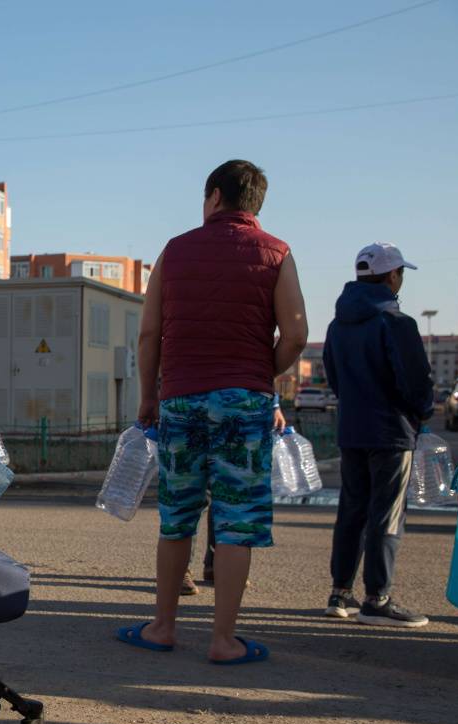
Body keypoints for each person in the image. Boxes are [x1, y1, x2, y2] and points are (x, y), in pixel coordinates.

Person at [119, 159, 308, 664]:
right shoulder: (277, 253)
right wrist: (259, 374)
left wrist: (148, 396)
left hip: (180, 398)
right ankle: (224, 640)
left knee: (177, 513)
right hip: (245, 403)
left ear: (214, 196)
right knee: (236, 520)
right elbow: (296, 334)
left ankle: (162, 626)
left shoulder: (174, 251)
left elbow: (148, 333)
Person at [322, 243, 433, 627]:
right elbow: (415, 381)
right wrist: (423, 412)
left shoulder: (338, 324)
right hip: (391, 432)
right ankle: (377, 598)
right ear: (391, 276)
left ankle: (340, 593)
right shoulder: (397, 323)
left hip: (352, 429)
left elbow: (334, 378)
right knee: (386, 514)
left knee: (351, 509)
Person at [181, 395, 286, 596]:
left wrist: (274, 404)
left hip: (236, 406)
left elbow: (265, 364)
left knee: (228, 493)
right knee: (191, 494)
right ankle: (182, 569)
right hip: (191, 400)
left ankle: (216, 565)